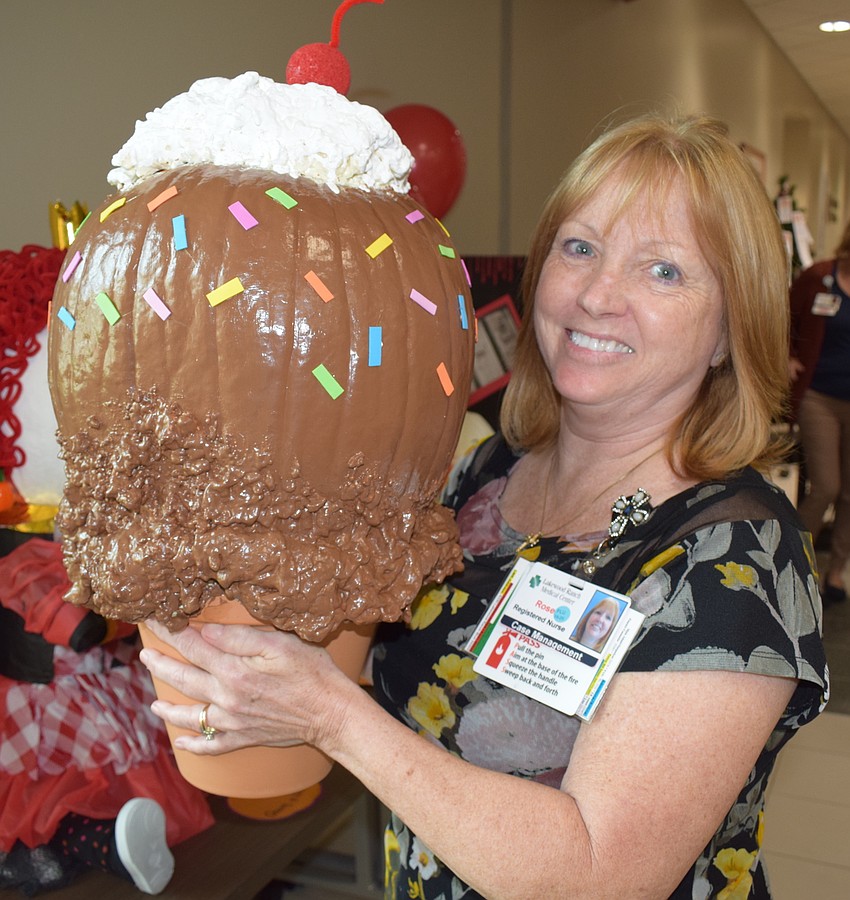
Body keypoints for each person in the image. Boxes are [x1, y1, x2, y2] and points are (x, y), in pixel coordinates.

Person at [139, 111, 828, 899]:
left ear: (727, 330)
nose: (600, 294)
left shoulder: (734, 558)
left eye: (663, 270)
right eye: (581, 247)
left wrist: (330, 718)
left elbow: (603, 875)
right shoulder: (481, 474)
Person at [789, 220, 850, 605]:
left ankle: (837, 572)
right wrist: (785, 355)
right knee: (826, 486)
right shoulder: (819, 277)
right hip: (818, 397)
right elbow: (781, 316)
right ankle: (790, 564)